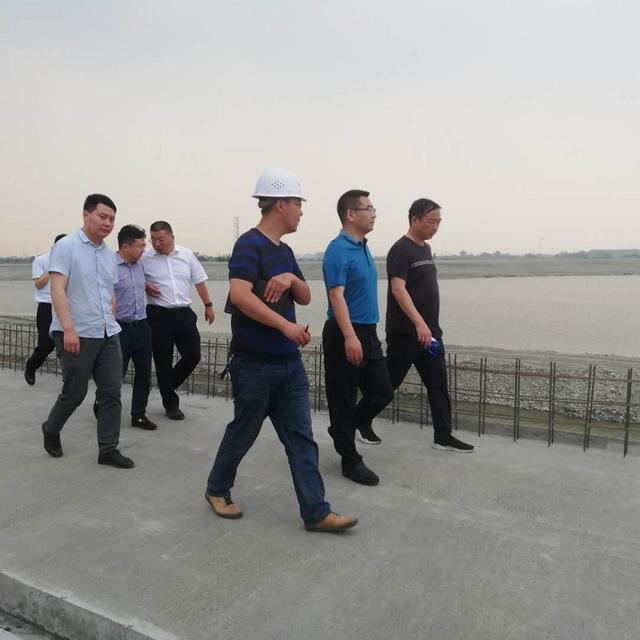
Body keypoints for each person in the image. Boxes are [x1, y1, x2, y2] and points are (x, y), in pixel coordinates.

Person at [205, 168, 358, 533]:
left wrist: (290, 278)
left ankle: (316, 512)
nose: (301, 211)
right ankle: (217, 489)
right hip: (253, 365)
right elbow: (240, 296)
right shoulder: (249, 244)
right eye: (298, 204)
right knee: (243, 432)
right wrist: (285, 327)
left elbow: (304, 296)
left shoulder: (285, 251)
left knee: (302, 439)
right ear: (280, 204)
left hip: (289, 364)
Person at [356, 198, 474, 452]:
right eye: (431, 221)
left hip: (430, 334)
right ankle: (359, 420)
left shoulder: (426, 249)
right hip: (405, 333)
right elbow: (398, 289)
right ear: (414, 219)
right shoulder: (401, 249)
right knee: (387, 386)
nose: (435, 227)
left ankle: (443, 436)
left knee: (438, 385)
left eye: (439, 222)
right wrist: (419, 323)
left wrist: (429, 328)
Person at [41, 194, 134, 469]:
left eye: (112, 219)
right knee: (75, 392)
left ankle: (108, 449)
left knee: (111, 392)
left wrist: (111, 319)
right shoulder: (66, 246)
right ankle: (51, 427)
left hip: (108, 333)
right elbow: (57, 289)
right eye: (102, 217)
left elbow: (109, 292)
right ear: (86, 214)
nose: (108, 223)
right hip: (76, 333)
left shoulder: (107, 254)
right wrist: (68, 329)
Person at [322, 190, 394, 486]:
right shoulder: (337, 250)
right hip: (344, 332)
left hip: (368, 331)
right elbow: (336, 296)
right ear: (351, 214)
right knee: (343, 398)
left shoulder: (363, 246)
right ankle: (350, 461)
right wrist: (350, 336)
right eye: (368, 208)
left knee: (382, 391)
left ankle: (344, 428)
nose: (374, 213)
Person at [142, 221, 214, 420]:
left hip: (183, 313)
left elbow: (199, 281)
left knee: (193, 355)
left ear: (172, 237)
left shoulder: (186, 255)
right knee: (163, 360)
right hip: (158, 314)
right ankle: (171, 404)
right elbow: (132, 275)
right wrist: (146, 285)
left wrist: (208, 305)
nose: (157, 244)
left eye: (161, 239)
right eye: (153, 239)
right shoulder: (145, 257)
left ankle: (167, 385)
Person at [113, 225, 157, 430]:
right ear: (125, 246)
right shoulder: (109, 266)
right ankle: (103, 403)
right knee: (116, 374)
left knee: (144, 374)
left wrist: (148, 286)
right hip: (119, 328)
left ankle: (138, 415)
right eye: (140, 246)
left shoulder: (140, 265)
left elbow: (139, 284)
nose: (143, 250)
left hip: (142, 326)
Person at [24, 233, 66, 385]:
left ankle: (68, 376)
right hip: (46, 306)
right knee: (47, 344)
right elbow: (38, 284)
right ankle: (31, 366)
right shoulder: (41, 260)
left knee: (67, 342)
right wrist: (52, 269)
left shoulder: (71, 261)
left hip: (65, 305)